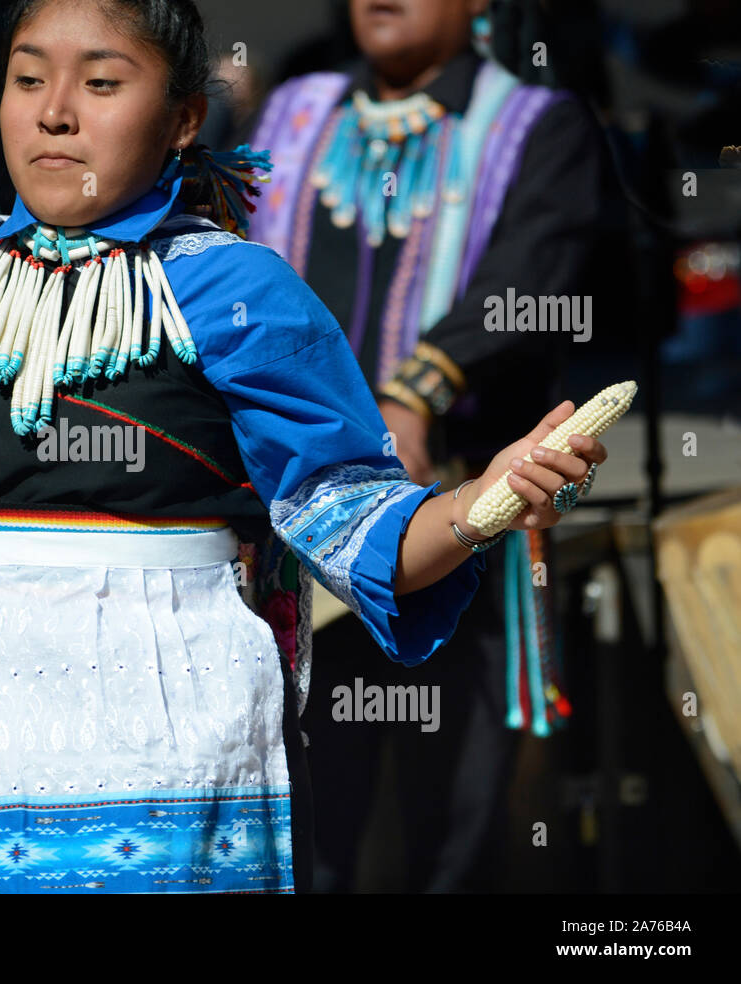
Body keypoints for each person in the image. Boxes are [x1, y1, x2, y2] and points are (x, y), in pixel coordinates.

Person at [0, 0, 609, 895]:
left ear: (182, 119)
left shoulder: (237, 293)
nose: (55, 110)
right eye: (29, 79)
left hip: (177, 785)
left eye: (101, 82)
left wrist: (483, 500)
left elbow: (353, 524)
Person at [245, 0, 607, 890]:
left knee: (456, 820)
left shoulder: (532, 123)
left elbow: (531, 274)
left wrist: (418, 388)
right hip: (293, 531)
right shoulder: (297, 112)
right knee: (307, 813)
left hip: (458, 511)